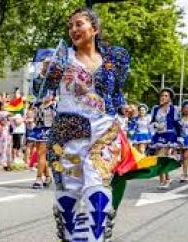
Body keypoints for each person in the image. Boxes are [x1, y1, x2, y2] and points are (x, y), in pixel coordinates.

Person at [43, 8, 130, 241]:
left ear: (95, 29)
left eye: (79, 24)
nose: (73, 30)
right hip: (68, 133)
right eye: (70, 26)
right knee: (69, 191)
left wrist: (124, 107)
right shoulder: (61, 59)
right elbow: (41, 90)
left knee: (97, 181)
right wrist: (45, 72)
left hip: (104, 131)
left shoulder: (113, 60)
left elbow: (117, 94)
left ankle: (96, 237)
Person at [30, 58, 55, 189]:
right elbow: (35, 95)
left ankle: (39, 178)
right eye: (47, 65)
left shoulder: (54, 82)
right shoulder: (37, 80)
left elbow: (56, 98)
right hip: (39, 117)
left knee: (42, 151)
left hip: (50, 118)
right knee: (39, 149)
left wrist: (52, 100)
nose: (48, 67)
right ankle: (48, 175)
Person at [150, 88, 182, 189]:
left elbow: (178, 124)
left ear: (170, 98)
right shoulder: (155, 109)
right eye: (162, 95)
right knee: (161, 159)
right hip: (158, 136)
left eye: (166, 96)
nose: (163, 97)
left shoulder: (173, 109)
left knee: (160, 157)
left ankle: (163, 180)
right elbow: (151, 122)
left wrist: (180, 137)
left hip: (169, 136)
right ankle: (166, 179)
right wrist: (155, 125)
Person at [180, 100, 188, 182]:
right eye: (185, 107)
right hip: (181, 139)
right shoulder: (180, 118)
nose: (186, 109)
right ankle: (184, 173)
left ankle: (185, 174)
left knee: (186, 156)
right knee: (183, 157)